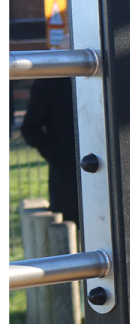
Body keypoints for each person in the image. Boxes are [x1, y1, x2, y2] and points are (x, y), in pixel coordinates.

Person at [21, 76, 80, 226]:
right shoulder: (49, 81)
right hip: (68, 182)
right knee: (69, 238)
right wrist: (60, 157)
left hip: (110, 178)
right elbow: (30, 129)